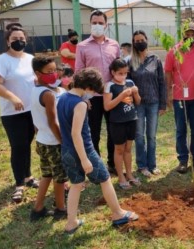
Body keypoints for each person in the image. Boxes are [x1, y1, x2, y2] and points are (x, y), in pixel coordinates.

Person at [57, 67, 139, 234]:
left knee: (76, 184)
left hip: (66, 150)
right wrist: (85, 159)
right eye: (93, 91)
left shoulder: (64, 97)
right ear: (88, 87)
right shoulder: (79, 104)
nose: (93, 95)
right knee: (105, 178)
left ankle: (71, 222)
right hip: (83, 150)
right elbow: (76, 134)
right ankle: (118, 213)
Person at [0, 23, 39, 203]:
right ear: (8, 42)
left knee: (27, 144)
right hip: (13, 112)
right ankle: (19, 184)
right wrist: (13, 98)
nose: (19, 41)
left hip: (31, 110)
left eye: (21, 39)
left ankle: (27, 176)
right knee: (18, 146)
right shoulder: (2, 60)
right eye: (15, 39)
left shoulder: (30, 58)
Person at [75, 10, 119, 173]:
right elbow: (78, 72)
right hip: (91, 97)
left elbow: (118, 69)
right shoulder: (82, 46)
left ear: (106, 25)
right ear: (90, 24)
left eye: (101, 23)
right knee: (93, 132)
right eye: (94, 22)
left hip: (111, 96)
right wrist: (83, 96)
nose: (97, 25)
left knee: (113, 131)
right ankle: (96, 165)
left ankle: (113, 164)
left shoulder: (114, 45)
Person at [165, 22, 194, 174]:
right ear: (183, 34)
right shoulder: (174, 51)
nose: (190, 36)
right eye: (187, 33)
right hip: (180, 98)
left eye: (193, 33)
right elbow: (168, 72)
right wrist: (170, 93)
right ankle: (183, 160)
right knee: (181, 130)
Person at [29, 56, 67, 221]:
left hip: (42, 141)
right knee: (59, 178)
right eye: (49, 71)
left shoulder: (35, 91)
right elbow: (53, 122)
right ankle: (60, 208)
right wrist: (63, 142)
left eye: (54, 70)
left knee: (47, 175)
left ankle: (38, 208)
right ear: (38, 73)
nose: (53, 74)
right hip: (53, 143)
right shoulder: (48, 95)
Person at [129, 30, 166, 177]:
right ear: (133, 43)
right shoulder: (130, 61)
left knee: (151, 136)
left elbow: (162, 82)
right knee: (139, 135)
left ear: (147, 40)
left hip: (154, 103)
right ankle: (142, 165)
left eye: (142, 40)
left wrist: (163, 104)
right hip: (137, 104)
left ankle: (152, 165)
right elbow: (127, 84)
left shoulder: (155, 59)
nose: (140, 43)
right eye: (136, 41)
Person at [103, 58, 141, 189]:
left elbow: (138, 102)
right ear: (113, 72)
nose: (123, 76)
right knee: (119, 149)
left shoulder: (130, 82)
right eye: (120, 73)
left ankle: (129, 174)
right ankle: (121, 177)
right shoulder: (109, 86)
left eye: (125, 73)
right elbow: (107, 106)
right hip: (117, 122)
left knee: (128, 148)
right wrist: (121, 96)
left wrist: (136, 93)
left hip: (131, 119)